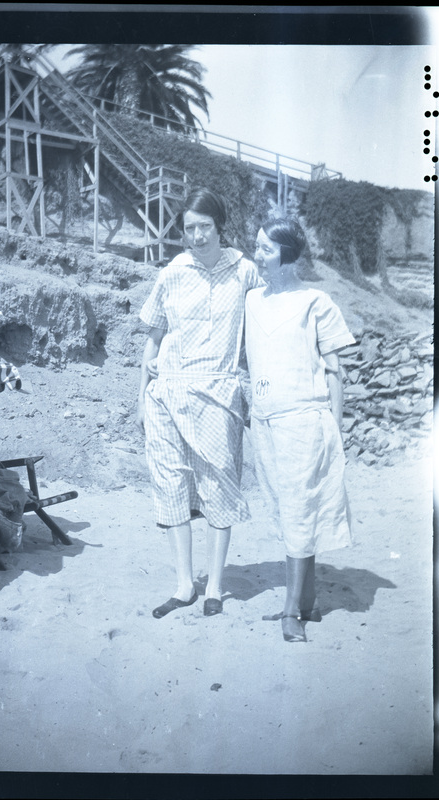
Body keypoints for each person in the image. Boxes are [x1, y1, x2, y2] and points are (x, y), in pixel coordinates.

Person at [137, 188, 260, 618]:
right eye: (189, 228)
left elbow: (262, 331)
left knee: (218, 486)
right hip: (167, 393)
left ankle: (216, 587)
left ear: (219, 225)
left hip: (218, 392)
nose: (197, 236)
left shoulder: (245, 271)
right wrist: (140, 398)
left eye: (204, 226)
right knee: (171, 487)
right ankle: (185, 584)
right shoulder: (173, 271)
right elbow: (153, 337)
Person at [245, 217, 355, 642]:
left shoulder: (316, 301)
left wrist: (337, 429)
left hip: (303, 423)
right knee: (288, 509)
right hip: (264, 421)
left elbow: (334, 372)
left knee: (297, 509)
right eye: (255, 246)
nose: (258, 255)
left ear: (288, 259)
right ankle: (307, 600)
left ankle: (291, 612)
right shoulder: (253, 299)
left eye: (266, 250)